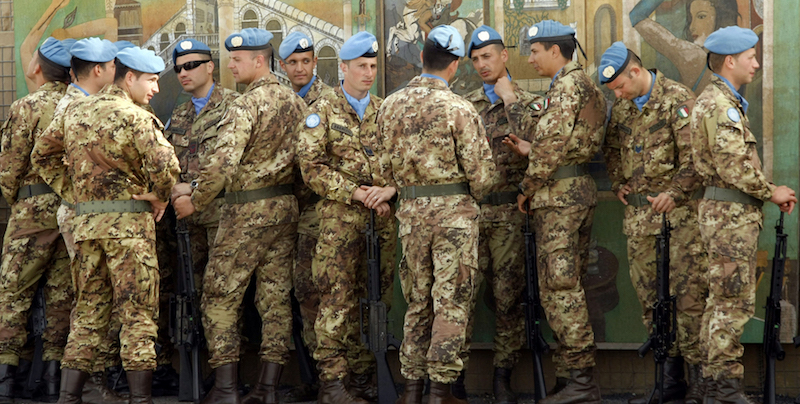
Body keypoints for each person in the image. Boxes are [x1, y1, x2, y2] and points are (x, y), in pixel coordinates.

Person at [171, 28, 306, 404]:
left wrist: (194, 200)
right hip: (284, 210)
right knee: (275, 299)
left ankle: (227, 388)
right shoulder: (296, 103)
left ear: (258, 61)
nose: (230, 65)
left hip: (246, 211)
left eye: (237, 59)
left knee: (218, 296)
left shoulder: (246, 104)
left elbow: (222, 164)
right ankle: (267, 387)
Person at [374, 24, 496, 404]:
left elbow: (381, 173)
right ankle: (439, 392)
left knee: (418, 303)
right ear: (455, 65)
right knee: (451, 302)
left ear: (422, 59)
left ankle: (411, 390)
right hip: (454, 219)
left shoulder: (389, 106)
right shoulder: (459, 109)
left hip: (410, 217)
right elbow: (483, 177)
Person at [56, 46, 179, 404]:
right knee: (137, 313)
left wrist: (76, 192)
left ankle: (68, 398)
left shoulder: (77, 111)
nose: (155, 89)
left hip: (88, 226)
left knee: (88, 313)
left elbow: (42, 154)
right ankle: (141, 399)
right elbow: (167, 167)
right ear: (129, 78)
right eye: (151, 81)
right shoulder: (136, 116)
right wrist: (158, 195)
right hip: (129, 230)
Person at [690, 26, 796, 403]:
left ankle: (709, 385)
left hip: (726, 215)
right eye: (750, 57)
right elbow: (734, 166)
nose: (756, 63)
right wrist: (772, 191)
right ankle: (724, 389)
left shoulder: (721, 100)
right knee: (732, 305)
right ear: (730, 60)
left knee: (718, 303)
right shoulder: (720, 106)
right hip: (729, 217)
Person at [599, 41, 708, 404]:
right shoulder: (624, 108)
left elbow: (696, 159)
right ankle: (668, 382)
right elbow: (612, 148)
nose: (619, 94)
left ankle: (699, 386)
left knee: (689, 302)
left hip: (680, 223)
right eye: (613, 91)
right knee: (652, 303)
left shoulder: (677, 98)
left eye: (620, 86)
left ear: (635, 70)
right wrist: (618, 182)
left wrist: (674, 192)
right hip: (640, 224)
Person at [507, 20, 606, 404]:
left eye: (534, 51)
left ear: (554, 50)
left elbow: (549, 146)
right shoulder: (583, 85)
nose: (529, 58)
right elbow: (571, 143)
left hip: (559, 200)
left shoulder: (566, 86)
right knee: (570, 286)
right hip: (577, 192)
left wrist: (526, 188)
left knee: (560, 290)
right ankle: (571, 377)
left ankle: (581, 382)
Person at [295, 31, 397, 404]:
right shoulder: (321, 111)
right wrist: (357, 193)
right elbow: (311, 167)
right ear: (343, 68)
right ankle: (334, 384)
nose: (368, 73)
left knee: (374, 300)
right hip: (339, 222)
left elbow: (401, 162)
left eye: (372, 66)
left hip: (381, 222)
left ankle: (362, 378)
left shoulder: (385, 110)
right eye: (361, 66)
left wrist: (387, 191)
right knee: (335, 301)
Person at [31, 36, 130, 404]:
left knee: (97, 297)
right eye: (114, 68)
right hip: (82, 217)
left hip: (94, 217)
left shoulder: (87, 102)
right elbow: (43, 156)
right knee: (93, 298)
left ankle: (91, 381)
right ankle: (90, 381)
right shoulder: (74, 105)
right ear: (101, 70)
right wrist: (75, 192)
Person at [460, 24, 542, 404]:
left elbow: (542, 147)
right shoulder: (466, 104)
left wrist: (511, 100)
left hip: (512, 213)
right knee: (460, 297)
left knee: (509, 300)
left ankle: (501, 380)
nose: (481, 64)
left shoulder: (529, 101)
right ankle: (454, 380)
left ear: (504, 56)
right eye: (475, 59)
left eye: (487, 56)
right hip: (473, 215)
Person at [0, 37, 72, 404]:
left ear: (39, 68)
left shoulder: (27, 106)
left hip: (32, 209)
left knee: (14, 292)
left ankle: (6, 382)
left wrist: (17, 200)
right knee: (63, 296)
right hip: (72, 212)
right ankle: (52, 381)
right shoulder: (80, 104)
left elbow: (9, 169)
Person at [276, 30, 331, 403]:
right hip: (283, 214)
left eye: (305, 61)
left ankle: (331, 378)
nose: (299, 68)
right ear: (282, 66)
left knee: (320, 295)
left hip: (318, 213)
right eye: (292, 63)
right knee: (292, 296)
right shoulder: (276, 101)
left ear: (315, 62)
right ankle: (310, 375)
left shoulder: (328, 101)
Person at [629, 0, 741, 93]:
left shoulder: (693, 56)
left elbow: (636, 16)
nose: (692, 26)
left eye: (701, 16)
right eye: (690, 18)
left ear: (720, 18)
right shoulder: (740, 59)